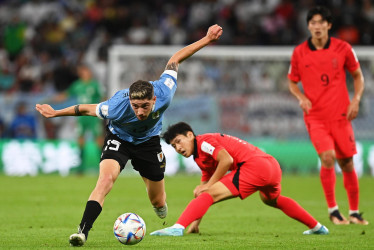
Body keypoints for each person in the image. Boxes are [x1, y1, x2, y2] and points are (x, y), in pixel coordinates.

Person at [35, 24, 223, 247]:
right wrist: (56, 112)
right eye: (135, 106)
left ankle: (158, 205)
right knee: (105, 180)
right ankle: (82, 232)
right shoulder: (116, 106)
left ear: (154, 100)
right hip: (119, 139)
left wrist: (206, 39)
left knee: (158, 201)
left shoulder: (164, 92)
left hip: (149, 143)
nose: (140, 112)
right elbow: (85, 108)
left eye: (144, 106)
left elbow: (175, 58)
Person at [150, 122, 329, 236]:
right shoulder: (200, 155)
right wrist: (196, 223)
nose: (178, 148)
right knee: (272, 200)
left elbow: (226, 160)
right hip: (271, 166)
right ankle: (317, 227)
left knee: (209, 193)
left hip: (254, 166)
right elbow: (204, 187)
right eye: (173, 146)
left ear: (190, 134)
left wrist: (209, 187)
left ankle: (177, 228)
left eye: (179, 141)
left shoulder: (204, 142)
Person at [287, 6, 368, 225]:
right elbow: (292, 82)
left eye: (321, 22)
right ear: (308, 26)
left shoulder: (343, 48)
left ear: (329, 25)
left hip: (341, 116)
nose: (317, 26)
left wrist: (356, 99)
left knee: (347, 163)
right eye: (312, 23)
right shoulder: (299, 52)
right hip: (316, 117)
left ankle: (354, 212)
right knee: (328, 157)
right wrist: (301, 98)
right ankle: (333, 211)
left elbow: (358, 76)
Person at [53, 64, 104, 173]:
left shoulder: (95, 85)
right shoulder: (77, 85)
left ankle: (103, 165)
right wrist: (52, 100)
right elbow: (66, 95)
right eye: (81, 71)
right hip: (81, 116)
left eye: (85, 71)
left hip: (93, 116)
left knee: (98, 140)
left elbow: (103, 97)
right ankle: (80, 167)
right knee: (80, 140)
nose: (84, 73)